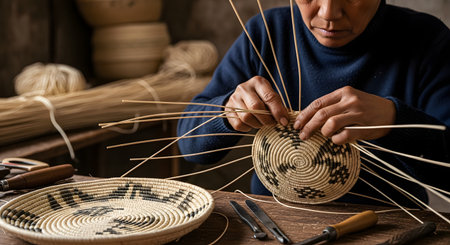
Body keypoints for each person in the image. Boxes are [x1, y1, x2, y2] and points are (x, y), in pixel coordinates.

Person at [177, 0, 450, 206]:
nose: (328, 13)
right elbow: (189, 146)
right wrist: (227, 112)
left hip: (390, 226)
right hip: (275, 221)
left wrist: (396, 120)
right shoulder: (267, 32)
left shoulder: (427, 40)